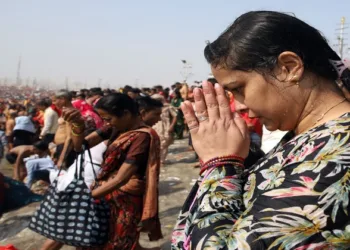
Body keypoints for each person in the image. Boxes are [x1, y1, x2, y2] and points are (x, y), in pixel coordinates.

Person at [172, 11, 350, 249]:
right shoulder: (312, 133)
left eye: (238, 88)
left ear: (288, 67)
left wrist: (220, 164)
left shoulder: (337, 158)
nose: (240, 105)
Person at [47, 93, 162, 250]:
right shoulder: (115, 127)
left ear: (126, 114)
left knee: (119, 243)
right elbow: (80, 146)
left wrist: (87, 197)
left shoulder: (142, 137)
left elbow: (122, 178)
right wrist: (77, 124)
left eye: (109, 118)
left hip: (125, 200)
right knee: (96, 239)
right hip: (105, 194)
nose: (107, 122)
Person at [151, 94, 178, 164]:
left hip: (166, 127)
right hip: (155, 126)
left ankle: (162, 161)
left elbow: (175, 116)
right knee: (155, 143)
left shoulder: (168, 107)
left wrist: (172, 126)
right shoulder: (151, 107)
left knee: (164, 144)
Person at [53, 90, 75, 168]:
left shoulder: (71, 113)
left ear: (63, 99)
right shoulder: (65, 112)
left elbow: (70, 137)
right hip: (60, 147)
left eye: (55, 100)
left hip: (66, 149)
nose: (54, 103)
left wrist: (62, 158)